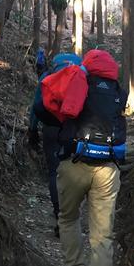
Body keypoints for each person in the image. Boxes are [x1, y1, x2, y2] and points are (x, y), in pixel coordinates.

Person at [34, 49, 127, 266]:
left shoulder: (76, 80)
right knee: (102, 239)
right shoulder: (116, 92)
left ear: (86, 65)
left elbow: (41, 109)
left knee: (68, 218)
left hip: (72, 163)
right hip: (107, 169)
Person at [28, 52, 82, 237]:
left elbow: (36, 105)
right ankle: (71, 217)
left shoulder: (48, 76)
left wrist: (32, 130)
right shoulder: (81, 76)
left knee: (54, 172)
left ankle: (60, 217)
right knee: (72, 172)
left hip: (51, 128)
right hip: (73, 129)